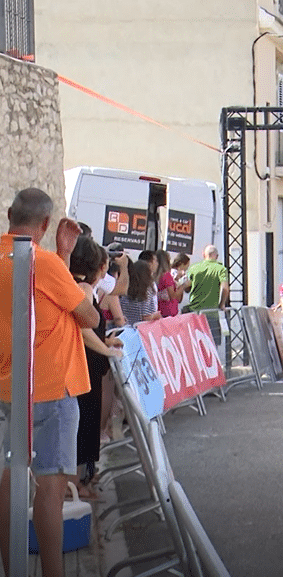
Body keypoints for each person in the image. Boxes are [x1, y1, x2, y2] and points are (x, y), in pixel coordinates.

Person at [0, 188, 100, 577]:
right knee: (50, 488)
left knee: (8, 485)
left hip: (6, 390)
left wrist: (61, 257)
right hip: (50, 389)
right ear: (44, 225)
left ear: (9, 214)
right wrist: (63, 259)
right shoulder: (42, 262)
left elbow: (35, 303)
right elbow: (88, 316)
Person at [69, 235, 122, 499]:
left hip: (87, 366)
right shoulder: (83, 289)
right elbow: (82, 329)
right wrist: (105, 348)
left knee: (86, 423)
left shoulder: (79, 286)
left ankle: (84, 476)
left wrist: (106, 341)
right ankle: (77, 483)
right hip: (84, 367)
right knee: (83, 424)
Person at [185, 244, 229, 313]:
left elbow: (187, 289)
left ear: (203, 255)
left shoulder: (193, 268)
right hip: (211, 312)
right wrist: (222, 304)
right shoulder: (221, 269)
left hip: (195, 312)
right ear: (217, 256)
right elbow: (225, 288)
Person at [120, 257, 161, 324]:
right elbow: (146, 316)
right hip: (141, 329)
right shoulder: (147, 290)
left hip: (127, 327)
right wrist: (155, 315)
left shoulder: (126, 288)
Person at [156, 250, 188, 317]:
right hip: (169, 312)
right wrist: (184, 285)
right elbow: (173, 296)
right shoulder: (166, 276)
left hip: (159, 310)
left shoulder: (156, 275)